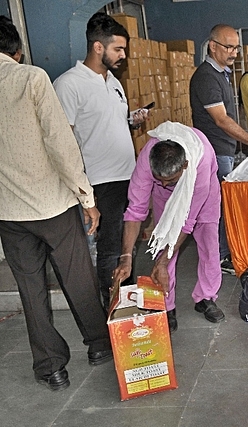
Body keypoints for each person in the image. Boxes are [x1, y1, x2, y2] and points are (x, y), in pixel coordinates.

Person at [0, 16, 112, 391]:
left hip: (8, 213)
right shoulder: (31, 78)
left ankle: (51, 368)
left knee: (30, 290)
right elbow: (61, 145)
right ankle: (98, 346)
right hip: (52, 205)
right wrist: (87, 197)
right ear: (16, 50)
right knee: (78, 278)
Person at [53, 12, 146, 310]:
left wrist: (132, 121)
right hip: (100, 181)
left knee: (127, 246)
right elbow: (63, 139)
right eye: (118, 49)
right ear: (97, 47)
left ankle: (127, 304)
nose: (123, 55)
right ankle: (114, 311)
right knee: (108, 250)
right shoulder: (69, 84)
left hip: (127, 176)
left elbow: (109, 123)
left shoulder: (114, 82)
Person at [113, 122, 224, 332]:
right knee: (163, 242)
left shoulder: (201, 161)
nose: (164, 184)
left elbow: (185, 223)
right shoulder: (147, 161)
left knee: (209, 245)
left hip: (204, 195)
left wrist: (162, 262)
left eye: (170, 180)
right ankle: (167, 304)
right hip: (166, 200)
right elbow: (135, 210)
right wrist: (126, 256)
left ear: (184, 166)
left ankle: (206, 297)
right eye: (159, 180)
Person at [190, 24, 248, 275]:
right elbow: (221, 119)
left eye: (236, 47)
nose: (234, 53)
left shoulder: (222, 73)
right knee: (217, 208)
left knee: (221, 204)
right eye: (228, 47)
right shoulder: (206, 76)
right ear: (213, 46)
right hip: (215, 150)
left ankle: (221, 253)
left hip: (224, 149)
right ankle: (219, 257)